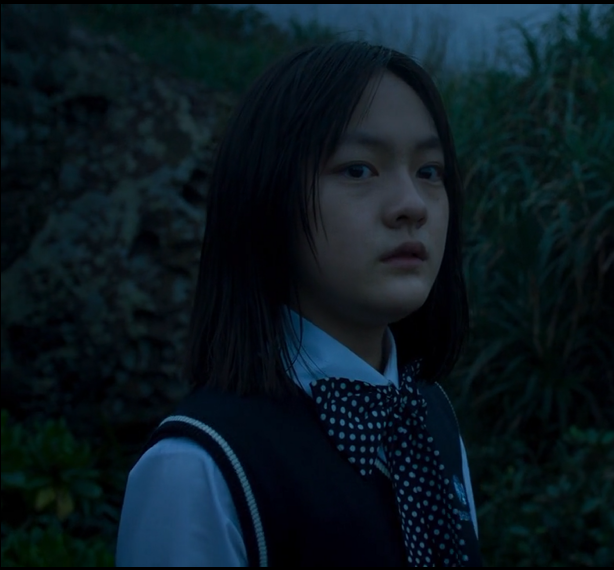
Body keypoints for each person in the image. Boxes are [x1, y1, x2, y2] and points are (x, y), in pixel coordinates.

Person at [116, 40, 482, 567]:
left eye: (429, 171)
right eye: (358, 169)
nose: (411, 205)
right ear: (268, 195)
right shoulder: (199, 468)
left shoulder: (431, 417)